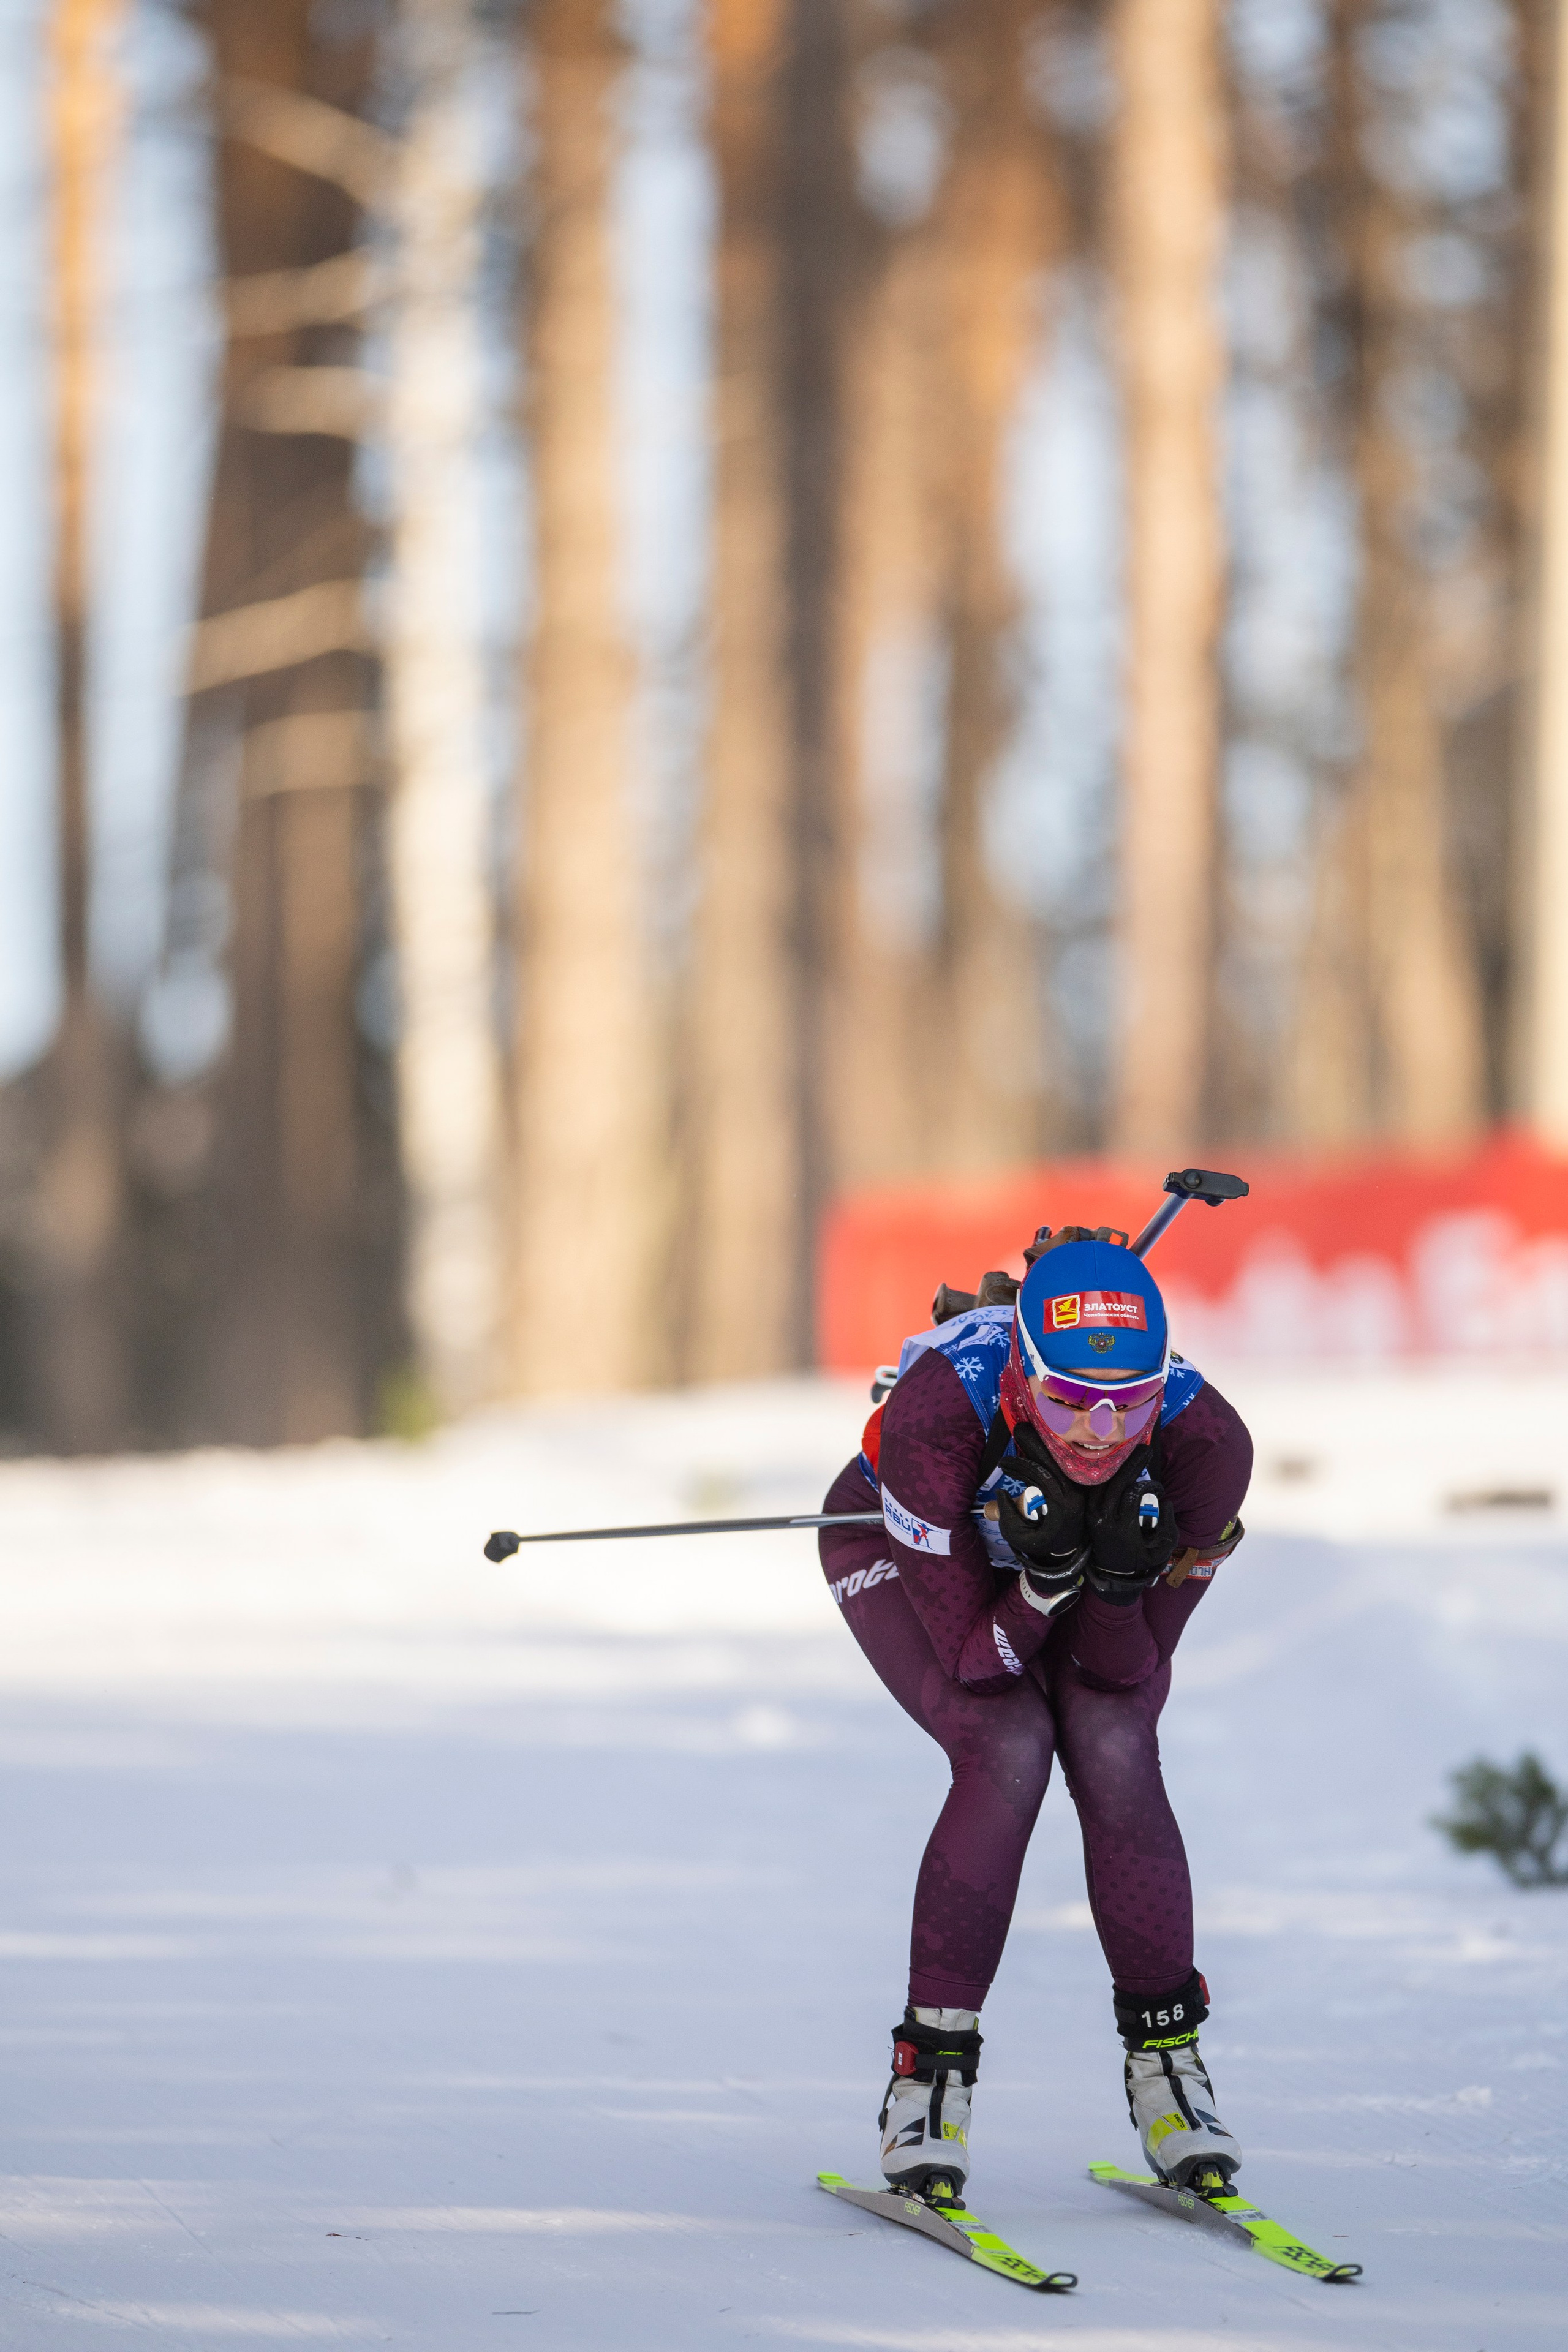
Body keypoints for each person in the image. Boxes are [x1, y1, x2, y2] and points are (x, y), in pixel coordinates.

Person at [818, 1225, 1252, 2203]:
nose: (1098, 1433)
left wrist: (1109, 1586)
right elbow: (977, 1664)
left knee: (1112, 1738)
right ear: (1023, 1368)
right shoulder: (939, 1416)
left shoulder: (1208, 1446)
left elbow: (1126, 1669)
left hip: (1062, 1601)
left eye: (1127, 1404)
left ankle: (1169, 2070)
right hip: (909, 1561)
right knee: (1006, 1743)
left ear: (1164, 1384)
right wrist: (1045, 1585)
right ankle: (928, 2080)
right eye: (1066, 1400)